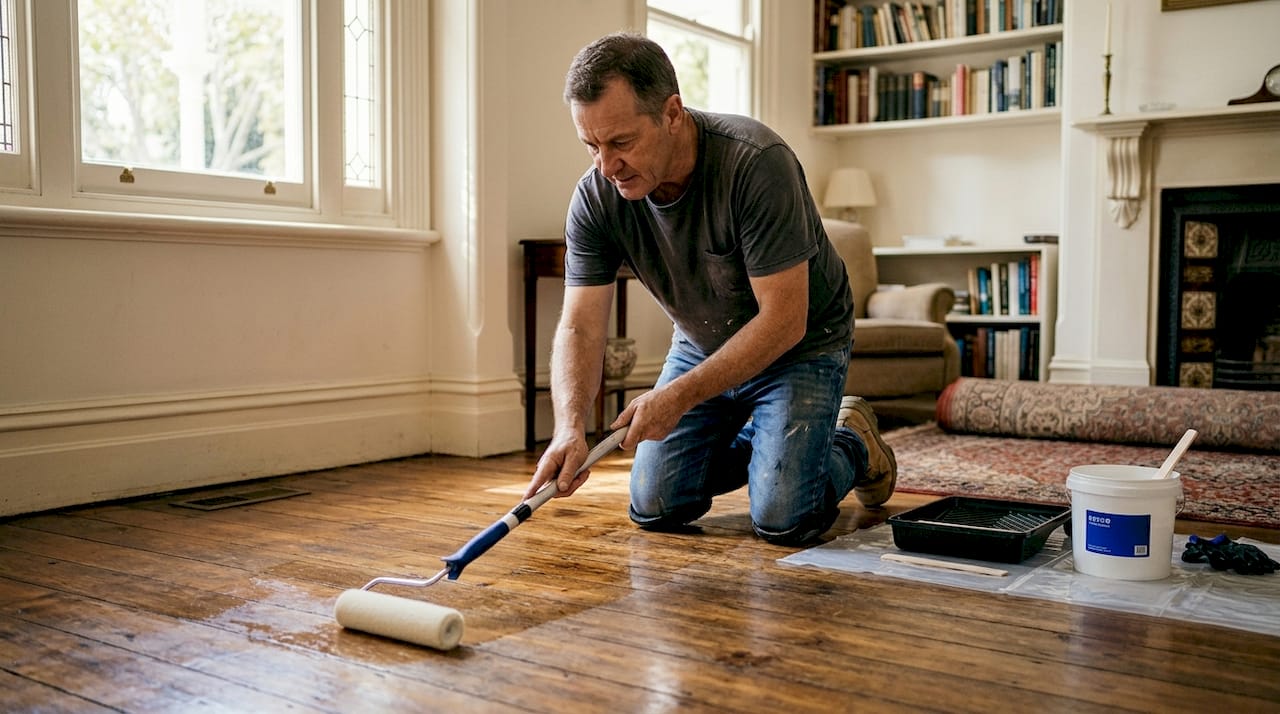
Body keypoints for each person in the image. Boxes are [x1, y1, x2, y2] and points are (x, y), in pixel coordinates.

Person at [524, 32, 896, 546]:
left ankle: (850, 441)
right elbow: (580, 323)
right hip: (702, 343)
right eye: (591, 145)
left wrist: (675, 396)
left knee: (784, 517)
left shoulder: (757, 163)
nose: (606, 168)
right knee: (655, 505)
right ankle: (774, 445)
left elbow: (784, 320)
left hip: (803, 342)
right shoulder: (597, 196)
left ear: (672, 113)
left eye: (621, 143)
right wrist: (569, 425)